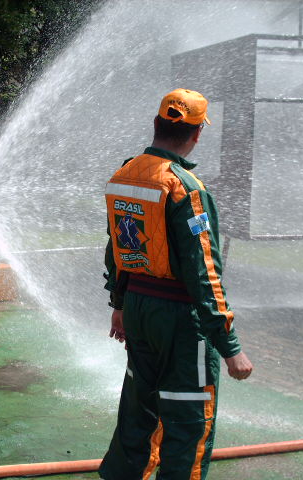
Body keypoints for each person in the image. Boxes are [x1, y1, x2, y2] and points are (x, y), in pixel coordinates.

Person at [100, 89, 253, 479]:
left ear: (156, 124)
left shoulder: (125, 174)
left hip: (137, 309)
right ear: (197, 133)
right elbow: (204, 274)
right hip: (181, 321)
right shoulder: (186, 189)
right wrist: (229, 346)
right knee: (187, 421)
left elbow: (116, 247)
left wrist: (120, 304)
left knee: (139, 410)